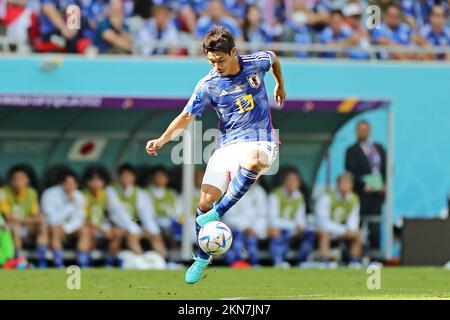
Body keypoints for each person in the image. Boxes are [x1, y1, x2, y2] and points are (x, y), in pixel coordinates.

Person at [145, 26, 285, 284]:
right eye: (211, 61)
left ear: (233, 52)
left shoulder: (256, 63)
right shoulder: (208, 85)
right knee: (203, 204)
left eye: (220, 60)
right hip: (228, 145)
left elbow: (274, 58)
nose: (216, 65)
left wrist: (279, 85)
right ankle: (201, 258)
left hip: (261, 139)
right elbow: (186, 117)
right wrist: (162, 140)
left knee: (254, 161)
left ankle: (219, 212)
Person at [109, 164, 168, 260]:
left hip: (134, 222)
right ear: (119, 177)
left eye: (129, 176)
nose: (126, 179)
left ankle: (165, 260)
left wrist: (152, 230)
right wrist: (134, 228)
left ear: (133, 178)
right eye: (124, 176)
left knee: (154, 234)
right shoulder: (111, 191)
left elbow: (144, 214)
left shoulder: (139, 192)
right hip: (116, 225)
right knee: (129, 234)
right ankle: (140, 260)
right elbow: (117, 214)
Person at [77, 165, 127, 267]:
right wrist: (99, 229)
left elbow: (115, 213)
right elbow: (82, 218)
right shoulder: (83, 195)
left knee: (118, 232)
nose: (96, 184)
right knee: (88, 231)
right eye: (92, 181)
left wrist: (111, 227)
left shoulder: (106, 194)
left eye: (98, 180)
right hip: (88, 226)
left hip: (102, 226)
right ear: (87, 182)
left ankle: (109, 262)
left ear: (103, 182)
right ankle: (85, 262)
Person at [0, 165, 48, 267]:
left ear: (27, 181)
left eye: (22, 179)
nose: (18, 182)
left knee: (42, 227)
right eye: (15, 179)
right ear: (11, 181)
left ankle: (42, 261)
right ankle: (18, 260)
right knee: (16, 227)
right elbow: (8, 218)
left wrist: (29, 220)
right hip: (10, 227)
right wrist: (30, 220)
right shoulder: (4, 192)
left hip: (26, 227)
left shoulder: (31, 193)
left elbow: (36, 217)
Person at [268, 168, 316, 268]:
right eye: (290, 181)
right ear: (284, 182)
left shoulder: (299, 196)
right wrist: (294, 226)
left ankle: (303, 261)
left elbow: (300, 218)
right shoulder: (275, 195)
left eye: (295, 181)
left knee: (309, 233)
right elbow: (273, 220)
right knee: (281, 232)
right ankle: (279, 260)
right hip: (279, 228)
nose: (292, 184)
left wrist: (300, 227)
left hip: (293, 230)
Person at [316, 173, 362, 268]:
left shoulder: (354, 199)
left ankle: (354, 261)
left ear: (351, 185)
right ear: (337, 185)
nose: (344, 186)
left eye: (347, 183)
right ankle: (325, 261)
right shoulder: (327, 198)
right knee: (324, 233)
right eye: (342, 183)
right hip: (329, 230)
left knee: (357, 233)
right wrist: (343, 230)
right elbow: (323, 222)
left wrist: (350, 229)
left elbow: (353, 219)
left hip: (343, 231)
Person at [41, 168, 85, 267]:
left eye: (73, 183)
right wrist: (69, 205)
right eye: (67, 183)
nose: (71, 186)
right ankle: (57, 263)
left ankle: (83, 263)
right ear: (61, 183)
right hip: (51, 227)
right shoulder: (49, 194)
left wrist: (66, 228)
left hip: (69, 228)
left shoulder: (79, 196)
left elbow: (79, 218)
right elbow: (51, 219)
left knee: (85, 230)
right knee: (55, 229)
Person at [222, 179, 268, 267]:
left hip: (253, 231)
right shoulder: (233, 190)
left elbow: (262, 216)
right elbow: (228, 216)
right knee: (238, 239)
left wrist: (254, 229)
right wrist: (245, 228)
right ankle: (236, 264)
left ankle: (255, 264)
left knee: (251, 240)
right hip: (235, 230)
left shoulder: (260, 192)